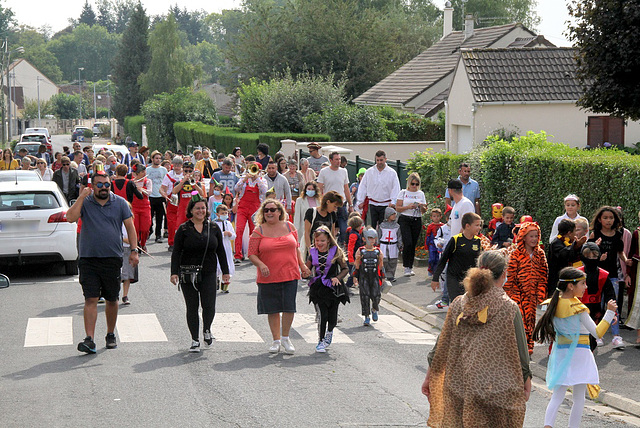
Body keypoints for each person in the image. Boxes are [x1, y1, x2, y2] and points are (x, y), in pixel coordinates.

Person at [423, 250, 531, 428]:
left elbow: (441, 346)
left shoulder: (459, 303)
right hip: (497, 389)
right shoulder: (509, 308)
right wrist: (526, 380)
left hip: (459, 385)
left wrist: (429, 378)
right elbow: (521, 352)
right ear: (504, 274)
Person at [533, 267, 617, 428]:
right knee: (579, 398)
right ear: (571, 286)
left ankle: (547, 425)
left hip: (561, 353)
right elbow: (598, 333)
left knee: (557, 396)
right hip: (580, 355)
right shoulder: (579, 309)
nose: (585, 287)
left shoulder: (551, 304)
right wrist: (609, 313)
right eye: (582, 283)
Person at [67, 172, 139, 354]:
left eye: (106, 184)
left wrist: (134, 250)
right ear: (93, 186)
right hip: (88, 259)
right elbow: (70, 217)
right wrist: (81, 197)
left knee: (112, 299)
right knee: (90, 298)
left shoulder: (120, 203)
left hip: (112, 258)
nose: (104, 188)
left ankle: (110, 333)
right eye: (99, 185)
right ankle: (89, 339)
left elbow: (130, 227)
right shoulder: (86, 202)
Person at [248, 199, 310, 354]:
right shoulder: (258, 231)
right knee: (273, 309)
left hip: (289, 273)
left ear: (280, 212)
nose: (269, 212)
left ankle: (285, 338)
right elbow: (251, 254)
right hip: (268, 276)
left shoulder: (290, 227)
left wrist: (302, 266)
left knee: (289, 308)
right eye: (266, 210)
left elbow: (296, 250)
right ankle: (276, 340)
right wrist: (261, 265)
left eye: (272, 210)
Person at [170, 196, 230, 352]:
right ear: (191, 210)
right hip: (188, 273)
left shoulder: (214, 228)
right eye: (197, 208)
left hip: (209, 272)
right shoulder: (183, 229)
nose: (200, 211)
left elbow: (221, 251)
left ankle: (207, 330)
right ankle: (195, 339)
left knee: (209, 305)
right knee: (192, 306)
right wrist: (174, 272)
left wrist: (225, 272)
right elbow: (176, 252)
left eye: (203, 208)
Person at [588, 206, 631, 349]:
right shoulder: (595, 234)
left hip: (612, 276)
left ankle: (616, 336)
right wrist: (598, 255)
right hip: (597, 275)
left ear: (615, 220)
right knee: (597, 305)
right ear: (599, 219)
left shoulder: (618, 235)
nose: (608, 220)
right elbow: (587, 253)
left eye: (611, 218)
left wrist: (626, 260)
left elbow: (620, 252)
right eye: (605, 218)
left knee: (613, 306)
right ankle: (597, 334)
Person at [504, 222, 549, 354]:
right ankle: (516, 347)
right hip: (517, 293)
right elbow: (510, 274)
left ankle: (528, 347)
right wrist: (509, 293)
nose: (534, 239)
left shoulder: (540, 254)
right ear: (523, 237)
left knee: (530, 321)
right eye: (531, 236)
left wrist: (541, 292)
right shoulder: (516, 254)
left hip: (532, 295)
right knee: (519, 320)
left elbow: (543, 274)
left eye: (536, 236)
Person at [303, 226, 349, 353]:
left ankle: (329, 332)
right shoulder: (312, 252)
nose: (319, 244)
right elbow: (306, 269)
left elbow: (345, 269)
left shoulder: (335, 251)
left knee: (332, 317)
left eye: (322, 241)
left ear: (329, 240)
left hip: (333, 287)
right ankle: (321, 340)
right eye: (317, 241)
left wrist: (338, 278)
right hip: (318, 288)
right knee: (322, 315)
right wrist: (304, 273)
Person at [431, 212, 483, 303]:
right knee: (458, 305)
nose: (479, 228)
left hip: (470, 280)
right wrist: (435, 279)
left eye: (480, 225)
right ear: (467, 226)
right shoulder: (455, 240)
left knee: (469, 307)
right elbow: (443, 260)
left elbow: (481, 263)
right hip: (454, 279)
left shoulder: (479, 241)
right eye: (477, 225)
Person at [578, 242, 616, 350]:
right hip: (578, 309)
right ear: (582, 256)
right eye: (588, 256)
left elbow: (610, 295)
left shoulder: (603, 275)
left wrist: (613, 313)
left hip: (596, 310)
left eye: (594, 256)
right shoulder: (577, 273)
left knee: (592, 338)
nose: (591, 259)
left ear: (599, 256)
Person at [356, 150, 401, 229]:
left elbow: (396, 188)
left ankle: (382, 241)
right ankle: (370, 241)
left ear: (385, 159)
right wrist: (360, 201)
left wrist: (393, 201)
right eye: (377, 160)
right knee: (369, 228)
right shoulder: (369, 172)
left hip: (386, 205)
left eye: (381, 160)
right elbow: (363, 186)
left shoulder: (392, 173)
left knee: (384, 228)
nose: (379, 162)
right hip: (372, 204)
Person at [233, 164, 268, 262]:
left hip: (255, 209)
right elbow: (236, 188)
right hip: (242, 208)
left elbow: (264, 190)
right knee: (239, 230)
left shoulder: (262, 180)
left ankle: (254, 254)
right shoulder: (244, 179)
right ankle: (238, 255)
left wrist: (257, 178)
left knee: (254, 232)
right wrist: (244, 179)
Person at [395, 172, 427, 276]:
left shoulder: (420, 194)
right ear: (409, 183)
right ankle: (406, 266)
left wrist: (421, 206)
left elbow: (424, 210)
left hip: (416, 219)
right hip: (405, 218)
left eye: (417, 184)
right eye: (412, 184)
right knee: (407, 242)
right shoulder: (403, 192)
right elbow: (398, 207)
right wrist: (408, 207)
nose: (414, 186)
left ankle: (410, 266)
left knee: (413, 244)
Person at [317, 152, 352, 244]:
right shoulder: (324, 172)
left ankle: (340, 246)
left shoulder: (344, 171)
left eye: (339, 159)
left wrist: (350, 204)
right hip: (329, 205)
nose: (338, 161)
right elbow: (319, 188)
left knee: (344, 229)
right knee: (328, 228)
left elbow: (346, 189)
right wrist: (320, 203)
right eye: (336, 159)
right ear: (331, 160)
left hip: (341, 204)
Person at [548, 219, 587, 296]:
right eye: (575, 231)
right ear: (569, 233)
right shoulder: (556, 243)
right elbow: (565, 255)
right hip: (557, 281)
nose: (575, 233)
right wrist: (576, 246)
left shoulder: (569, 242)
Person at [354, 228, 384, 326]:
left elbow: (381, 265)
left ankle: (374, 309)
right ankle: (366, 316)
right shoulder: (360, 251)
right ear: (364, 238)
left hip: (374, 276)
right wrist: (355, 277)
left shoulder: (378, 251)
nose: (372, 240)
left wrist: (383, 277)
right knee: (365, 297)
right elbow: (357, 265)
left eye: (374, 238)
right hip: (364, 277)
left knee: (376, 296)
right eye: (370, 238)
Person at [173, 161, 206, 230]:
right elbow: (174, 191)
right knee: (181, 229)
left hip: (193, 211)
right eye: (186, 171)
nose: (188, 173)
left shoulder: (197, 183)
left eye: (190, 171)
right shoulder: (178, 183)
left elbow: (201, 193)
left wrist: (194, 183)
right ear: (183, 171)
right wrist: (183, 181)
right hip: (182, 211)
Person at [160, 156, 185, 251]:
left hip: (183, 201)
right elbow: (162, 188)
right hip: (172, 201)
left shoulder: (185, 175)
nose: (177, 167)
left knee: (182, 223)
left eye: (179, 165)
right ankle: (171, 243)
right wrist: (164, 194)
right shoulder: (169, 175)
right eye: (175, 165)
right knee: (171, 223)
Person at [293, 181, 320, 258]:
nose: (310, 191)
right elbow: (297, 217)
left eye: (312, 189)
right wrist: (296, 232)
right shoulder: (299, 200)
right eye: (309, 189)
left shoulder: (319, 201)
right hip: (304, 228)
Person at [147, 150, 168, 244]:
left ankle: (158, 235)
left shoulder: (164, 170)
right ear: (152, 159)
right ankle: (149, 229)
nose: (158, 160)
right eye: (156, 158)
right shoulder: (148, 170)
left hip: (160, 196)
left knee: (160, 217)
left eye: (159, 158)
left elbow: (166, 183)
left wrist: (165, 194)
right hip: (150, 196)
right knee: (150, 217)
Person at [214, 204, 236, 293]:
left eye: (226, 213)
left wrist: (230, 234)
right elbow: (214, 236)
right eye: (222, 213)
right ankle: (215, 280)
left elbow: (234, 235)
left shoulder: (228, 223)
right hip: (218, 247)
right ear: (217, 214)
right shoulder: (214, 224)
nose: (224, 215)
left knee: (227, 265)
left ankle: (225, 285)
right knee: (217, 265)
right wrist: (223, 234)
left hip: (227, 247)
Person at [131, 163, 152, 251]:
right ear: (137, 173)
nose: (144, 173)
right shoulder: (131, 182)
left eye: (144, 171)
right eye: (142, 171)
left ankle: (143, 243)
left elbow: (149, 192)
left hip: (145, 207)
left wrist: (141, 189)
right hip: (134, 207)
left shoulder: (148, 181)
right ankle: (136, 245)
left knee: (145, 228)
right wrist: (133, 186)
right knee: (135, 228)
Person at [378, 207, 402, 282]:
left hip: (393, 245)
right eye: (393, 214)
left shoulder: (397, 226)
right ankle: (383, 275)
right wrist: (377, 244)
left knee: (393, 261)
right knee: (383, 260)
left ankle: (391, 275)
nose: (394, 216)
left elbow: (399, 236)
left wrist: (400, 245)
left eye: (395, 214)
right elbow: (379, 235)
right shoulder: (382, 226)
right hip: (383, 245)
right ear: (388, 215)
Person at [120, 212, 138, 306]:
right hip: (119, 248)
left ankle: (125, 295)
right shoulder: (117, 222)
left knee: (127, 273)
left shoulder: (131, 223)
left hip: (128, 249)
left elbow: (133, 235)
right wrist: (125, 239)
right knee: (119, 273)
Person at [425, 208, 443, 275]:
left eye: (438, 216)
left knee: (438, 259)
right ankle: (430, 269)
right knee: (432, 259)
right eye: (434, 216)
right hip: (432, 245)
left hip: (439, 245)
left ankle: (436, 272)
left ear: (441, 217)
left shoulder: (442, 226)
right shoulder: (430, 226)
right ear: (431, 217)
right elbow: (427, 236)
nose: (436, 218)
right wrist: (426, 246)